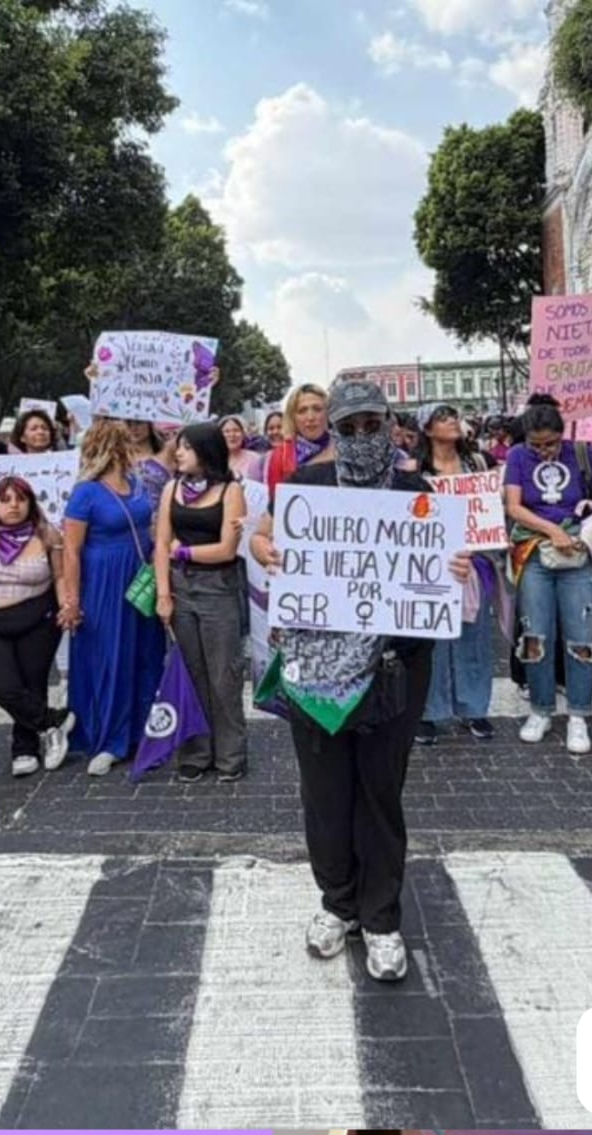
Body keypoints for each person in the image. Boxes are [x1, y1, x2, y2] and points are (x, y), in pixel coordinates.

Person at [250, 379, 470, 983]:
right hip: (316, 665)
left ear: (391, 424)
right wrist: (268, 549)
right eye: (348, 427)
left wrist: (454, 566)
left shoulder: (415, 490)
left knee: (379, 791)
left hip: (394, 666)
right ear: (332, 432)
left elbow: (448, 568)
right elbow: (262, 534)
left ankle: (380, 916)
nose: (361, 437)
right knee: (324, 792)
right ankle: (336, 902)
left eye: (372, 424)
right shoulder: (306, 488)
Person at [504, 395, 592, 755]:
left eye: (550, 444)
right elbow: (513, 506)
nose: (543, 452)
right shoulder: (517, 458)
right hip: (535, 553)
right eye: (535, 445)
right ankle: (540, 709)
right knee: (536, 633)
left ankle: (579, 715)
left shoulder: (584, 454)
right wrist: (551, 531)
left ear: (562, 435)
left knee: (581, 635)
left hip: (580, 556)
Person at [60, 421, 164, 776]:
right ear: (109, 446)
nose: (132, 445)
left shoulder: (135, 484)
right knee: (111, 658)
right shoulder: (85, 492)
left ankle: (140, 734)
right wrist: (72, 600)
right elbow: (71, 551)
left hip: (138, 578)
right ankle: (109, 739)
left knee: (144, 655)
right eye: (123, 441)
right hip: (103, 582)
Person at [154, 421, 248, 782]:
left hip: (218, 588)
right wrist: (164, 593)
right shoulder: (171, 489)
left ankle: (230, 755)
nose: (178, 452)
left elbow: (226, 548)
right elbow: (162, 543)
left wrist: (186, 551)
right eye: (179, 446)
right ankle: (195, 752)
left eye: (187, 447)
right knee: (190, 673)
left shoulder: (229, 491)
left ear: (207, 452)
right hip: (180, 588)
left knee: (224, 674)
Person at [0, 475, 74, 777]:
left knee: (32, 684)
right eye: (5, 500)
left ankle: (25, 748)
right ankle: (54, 721)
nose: (13, 506)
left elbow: (60, 576)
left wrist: (66, 606)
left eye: (20, 499)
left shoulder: (46, 535)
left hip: (38, 618)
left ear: (30, 503)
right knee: (1, 686)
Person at [412, 403, 499, 744]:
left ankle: (474, 709)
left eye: (453, 417)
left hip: (473, 562)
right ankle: (428, 711)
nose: (452, 422)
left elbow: (496, 506)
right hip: (432, 565)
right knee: (430, 642)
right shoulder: (414, 470)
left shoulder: (479, 464)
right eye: (443, 418)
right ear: (428, 429)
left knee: (474, 638)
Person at [264, 383, 333, 498]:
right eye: (302, 411)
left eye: (317, 409)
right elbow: (276, 502)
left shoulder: (343, 449)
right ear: (293, 418)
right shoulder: (281, 455)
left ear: (327, 413)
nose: (310, 417)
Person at [124, 420, 174, 505]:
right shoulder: (119, 457)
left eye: (138, 423)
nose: (133, 428)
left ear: (150, 424)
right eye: (128, 424)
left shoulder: (167, 452)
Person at [219, 415, 264, 482]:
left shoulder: (254, 458)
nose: (232, 435)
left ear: (243, 434)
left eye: (236, 430)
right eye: (227, 431)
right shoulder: (214, 459)